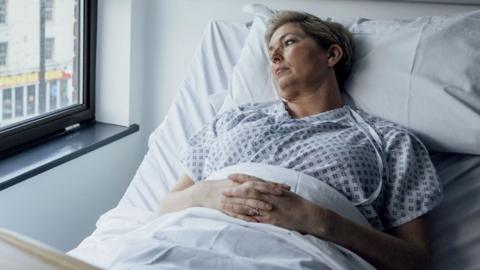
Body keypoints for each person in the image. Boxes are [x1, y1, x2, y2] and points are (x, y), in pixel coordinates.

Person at [156, 11, 442, 270]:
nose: (276, 57)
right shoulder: (233, 119)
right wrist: (206, 194)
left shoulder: (389, 141)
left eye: (288, 43)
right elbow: (166, 207)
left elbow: (416, 261)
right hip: (186, 243)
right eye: (271, 53)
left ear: (331, 55)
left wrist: (320, 222)